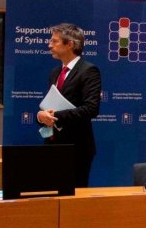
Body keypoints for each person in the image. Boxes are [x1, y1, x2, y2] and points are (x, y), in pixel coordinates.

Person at [36, 22, 101, 188]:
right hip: (52, 145)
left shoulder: (89, 71)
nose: (49, 45)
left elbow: (91, 109)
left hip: (76, 148)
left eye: (55, 41)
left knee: (72, 199)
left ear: (70, 44)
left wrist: (55, 116)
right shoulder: (55, 73)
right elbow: (49, 105)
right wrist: (41, 116)